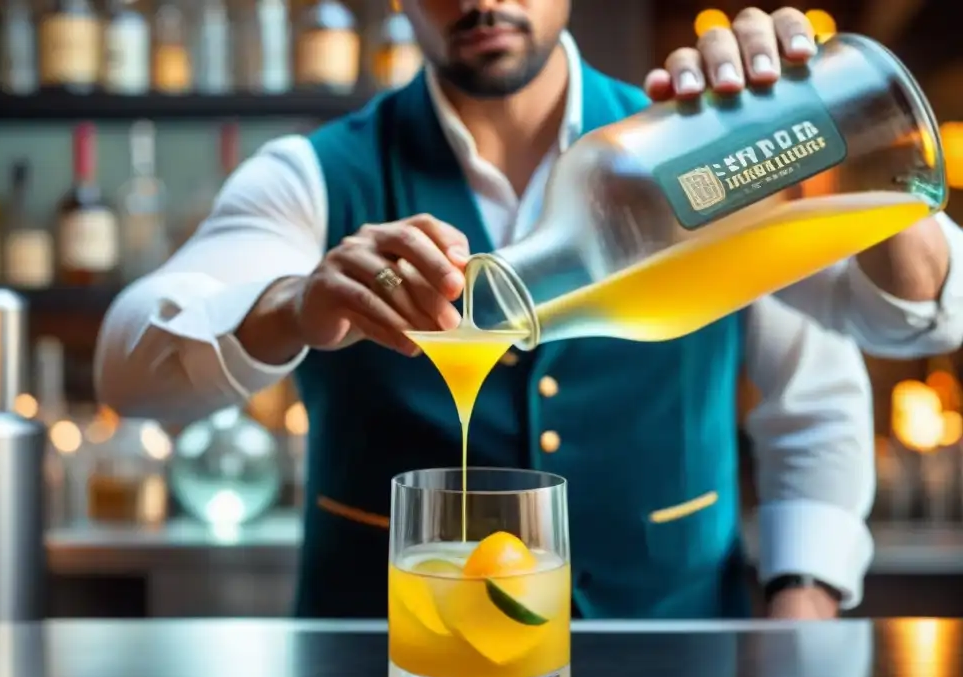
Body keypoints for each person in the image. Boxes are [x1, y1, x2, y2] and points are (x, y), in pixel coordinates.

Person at [95, 4, 958, 621]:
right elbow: (129, 369)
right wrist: (290, 305)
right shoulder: (314, 176)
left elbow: (883, 347)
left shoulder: (698, 140)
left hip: (675, 665)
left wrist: (847, 133)